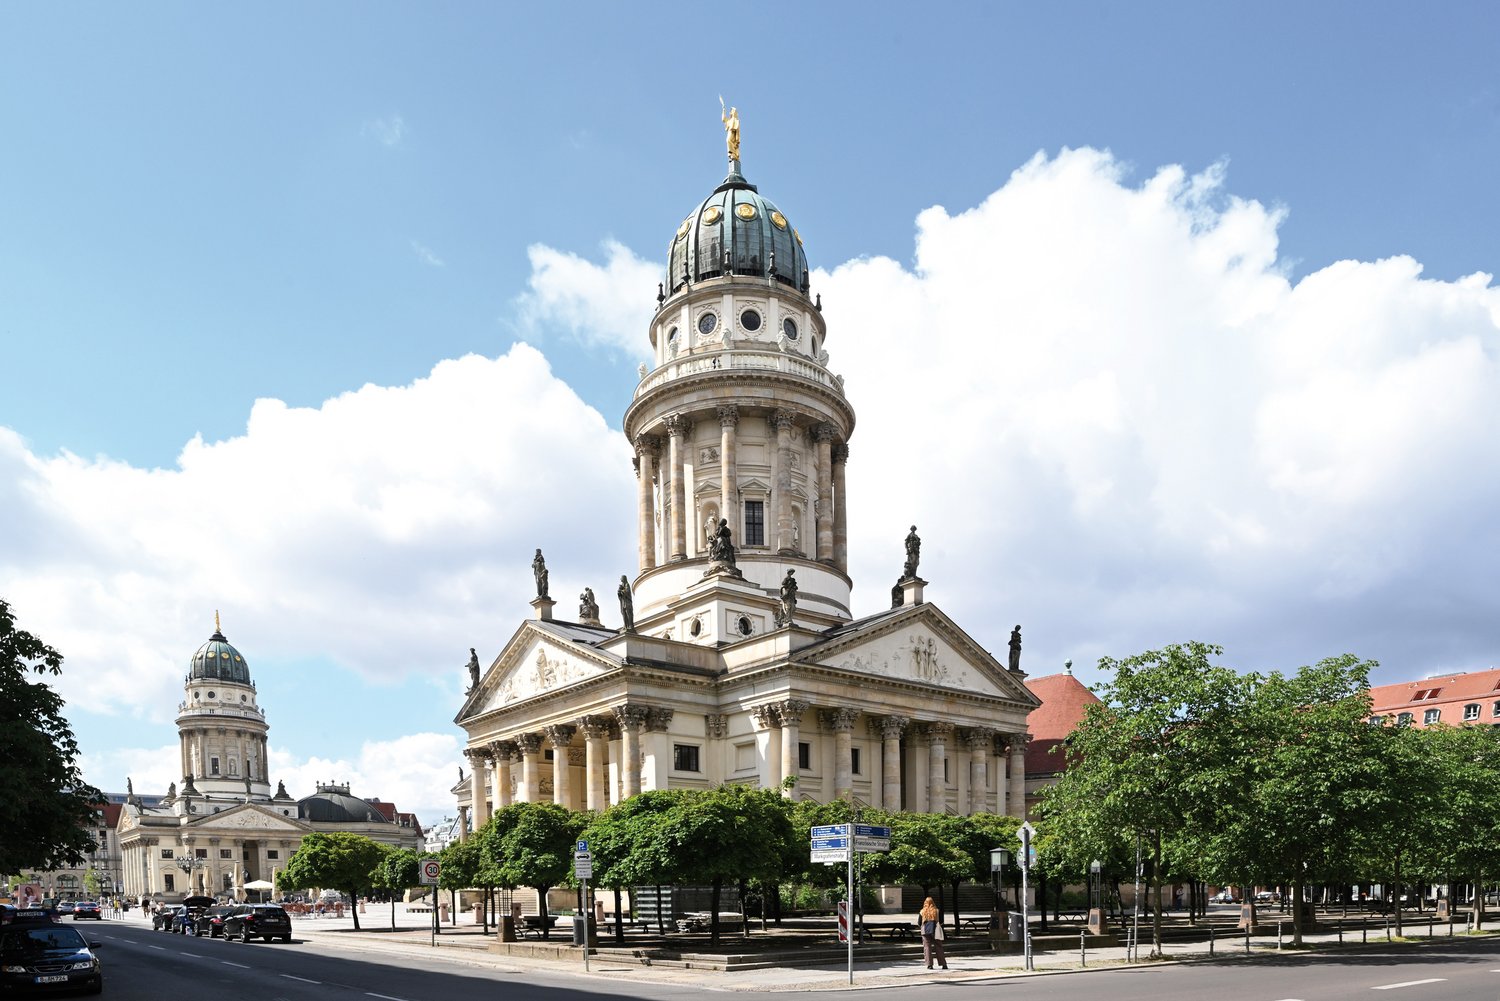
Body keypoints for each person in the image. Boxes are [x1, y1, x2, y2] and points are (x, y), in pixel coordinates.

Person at [918, 896, 947, 970]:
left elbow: (919, 923)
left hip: (925, 931)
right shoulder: (937, 911)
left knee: (927, 947)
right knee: (939, 946)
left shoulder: (922, 911)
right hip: (935, 930)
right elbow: (942, 922)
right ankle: (943, 964)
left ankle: (929, 965)